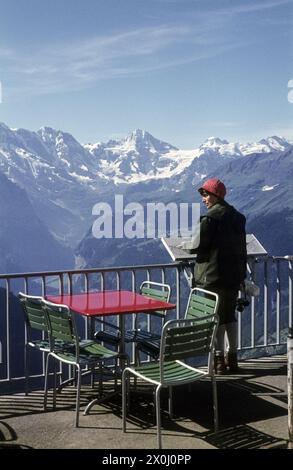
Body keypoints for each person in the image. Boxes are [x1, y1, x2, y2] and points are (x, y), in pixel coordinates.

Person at [182, 178, 247, 374]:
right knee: (229, 317)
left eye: (206, 195)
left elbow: (196, 245)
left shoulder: (210, 218)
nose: (204, 199)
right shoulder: (237, 217)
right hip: (233, 276)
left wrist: (183, 245)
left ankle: (219, 360)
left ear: (215, 196)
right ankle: (233, 358)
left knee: (215, 318)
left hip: (212, 277)